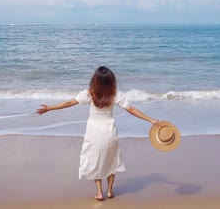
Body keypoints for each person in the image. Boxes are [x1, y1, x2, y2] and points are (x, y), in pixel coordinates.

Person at [36, 66, 159, 201]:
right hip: (109, 131)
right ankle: (110, 191)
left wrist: (49, 108)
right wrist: (151, 120)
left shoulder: (90, 93)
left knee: (95, 160)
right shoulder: (115, 94)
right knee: (111, 161)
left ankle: (100, 192)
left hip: (93, 131)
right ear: (111, 81)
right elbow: (132, 109)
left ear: (95, 80)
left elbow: (69, 102)